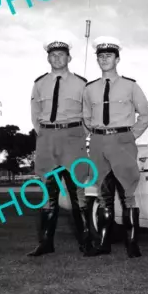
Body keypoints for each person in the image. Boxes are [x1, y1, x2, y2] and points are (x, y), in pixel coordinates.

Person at [82, 36, 148, 258]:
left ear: (117, 59)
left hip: (122, 141)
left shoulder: (131, 86)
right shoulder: (89, 89)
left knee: (128, 194)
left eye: (109, 56)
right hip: (98, 143)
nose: (104, 59)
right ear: (98, 60)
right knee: (103, 194)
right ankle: (103, 243)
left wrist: (131, 135)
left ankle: (132, 243)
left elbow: (146, 115)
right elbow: (85, 117)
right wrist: (92, 138)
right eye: (101, 56)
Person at [28, 33, 95, 257]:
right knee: (49, 194)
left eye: (62, 55)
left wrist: (76, 134)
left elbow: (89, 115)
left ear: (69, 58)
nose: (57, 58)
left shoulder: (81, 84)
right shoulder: (39, 84)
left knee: (78, 193)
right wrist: (46, 135)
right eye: (53, 55)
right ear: (48, 58)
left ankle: (87, 242)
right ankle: (46, 243)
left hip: (73, 139)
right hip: (48, 140)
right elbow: (35, 115)